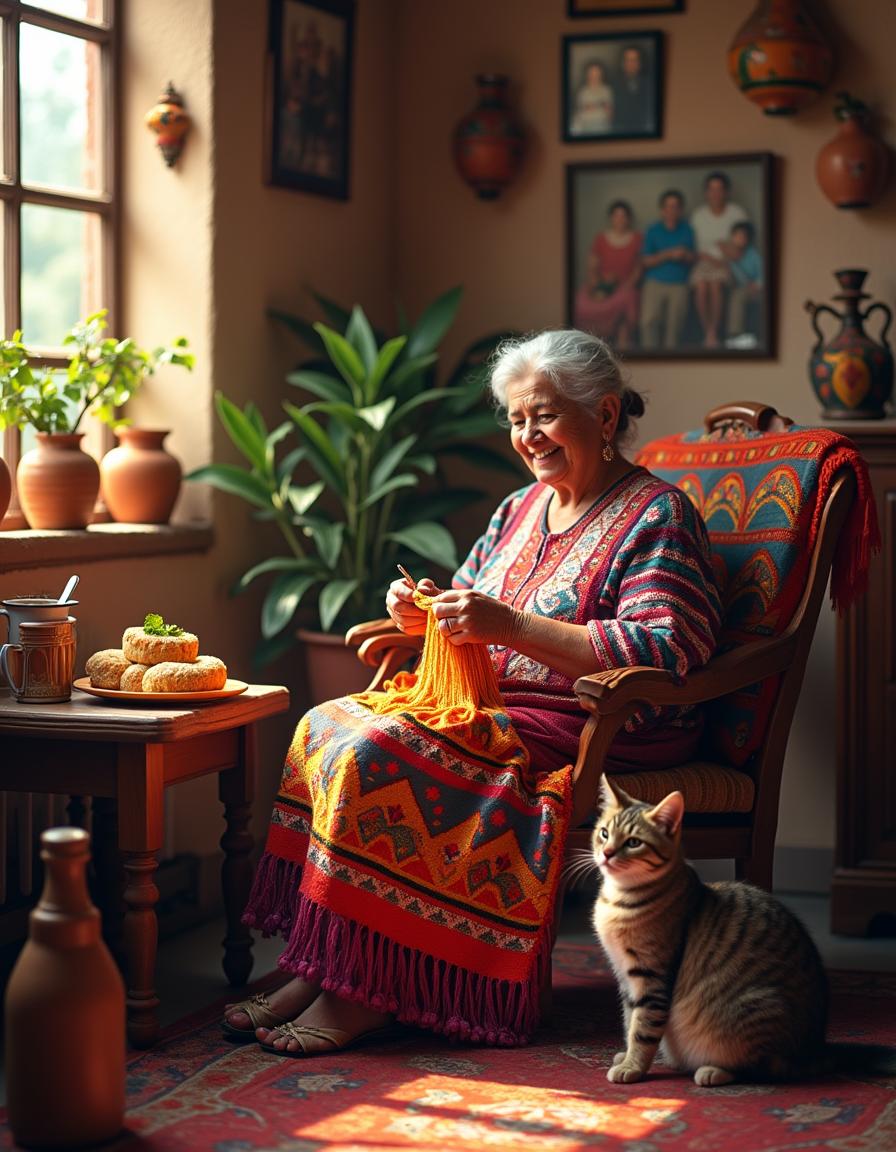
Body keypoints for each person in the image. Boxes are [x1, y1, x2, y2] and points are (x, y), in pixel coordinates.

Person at [223, 330, 722, 1056]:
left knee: (380, 750)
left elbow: (666, 647)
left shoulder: (657, 516)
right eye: (518, 419)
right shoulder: (518, 509)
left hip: (600, 721)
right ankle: (322, 965)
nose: (528, 436)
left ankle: (362, 994)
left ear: (606, 415)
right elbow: (468, 609)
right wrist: (422, 612)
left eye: (544, 415)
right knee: (327, 724)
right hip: (494, 706)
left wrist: (510, 625)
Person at [689, 171, 748, 349]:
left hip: (727, 264)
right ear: (706, 193)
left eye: (719, 189)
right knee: (701, 286)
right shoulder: (698, 215)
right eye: (712, 190)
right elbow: (695, 249)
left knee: (715, 286)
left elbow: (742, 248)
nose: (716, 194)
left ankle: (713, 331)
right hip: (703, 262)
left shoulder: (737, 213)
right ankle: (708, 331)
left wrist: (725, 255)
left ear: (727, 192)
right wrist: (707, 257)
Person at [574, 200, 643, 349]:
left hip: (625, 287)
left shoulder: (637, 239)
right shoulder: (601, 239)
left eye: (623, 216)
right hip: (601, 286)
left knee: (626, 304)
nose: (620, 220)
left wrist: (625, 286)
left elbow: (638, 268)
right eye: (616, 216)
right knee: (581, 303)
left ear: (628, 219)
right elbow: (592, 267)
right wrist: (599, 286)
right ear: (611, 218)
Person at [639, 190, 696, 350]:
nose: (672, 210)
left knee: (675, 325)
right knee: (648, 322)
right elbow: (646, 261)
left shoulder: (687, 230)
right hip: (654, 282)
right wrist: (668, 254)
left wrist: (684, 255)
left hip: (679, 283)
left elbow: (694, 258)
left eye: (676, 207)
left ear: (680, 210)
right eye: (668, 207)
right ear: (662, 209)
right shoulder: (653, 230)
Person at [725, 220, 763, 347]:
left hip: (756, 290)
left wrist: (757, 285)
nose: (739, 239)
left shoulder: (753, 255)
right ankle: (735, 337)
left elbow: (763, 274)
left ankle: (739, 339)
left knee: (739, 297)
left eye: (743, 237)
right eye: (737, 236)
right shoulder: (729, 255)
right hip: (740, 288)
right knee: (737, 296)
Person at [613, 44, 653, 134]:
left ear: (640, 63)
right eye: (628, 60)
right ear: (622, 63)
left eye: (634, 60)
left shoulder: (649, 84)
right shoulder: (613, 84)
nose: (631, 64)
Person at [570, 59, 613, 135]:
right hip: (584, 126)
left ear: (601, 74)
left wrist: (599, 106)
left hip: (602, 126)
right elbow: (580, 110)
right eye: (592, 73)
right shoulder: (582, 91)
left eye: (597, 73)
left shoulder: (606, 90)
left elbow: (609, 111)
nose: (594, 76)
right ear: (587, 74)